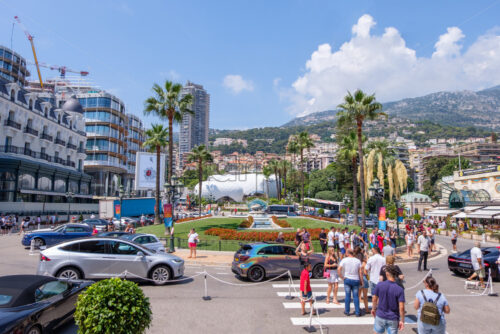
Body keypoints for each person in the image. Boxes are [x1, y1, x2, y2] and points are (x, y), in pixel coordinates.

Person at [372, 265, 406, 334]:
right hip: (393, 318)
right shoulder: (399, 289)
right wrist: (402, 320)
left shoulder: (380, 285)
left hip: (380, 315)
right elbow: (401, 307)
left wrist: (373, 309)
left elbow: (374, 299)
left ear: (387, 274)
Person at [338, 248, 363, 317]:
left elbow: (339, 269)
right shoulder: (358, 261)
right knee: (356, 296)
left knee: (347, 296)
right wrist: (361, 281)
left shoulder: (344, 260)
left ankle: (347, 311)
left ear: (348, 253)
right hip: (355, 279)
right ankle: (357, 312)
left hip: (347, 279)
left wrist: (342, 277)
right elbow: (360, 272)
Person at [354, 246, 370, 313]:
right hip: (363, 277)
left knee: (357, 295)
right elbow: (366, 271)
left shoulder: (355, 261)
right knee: (365, 295)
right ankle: (367, 309)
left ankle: (357, 309)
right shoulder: (364, 262)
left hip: (357, 278)